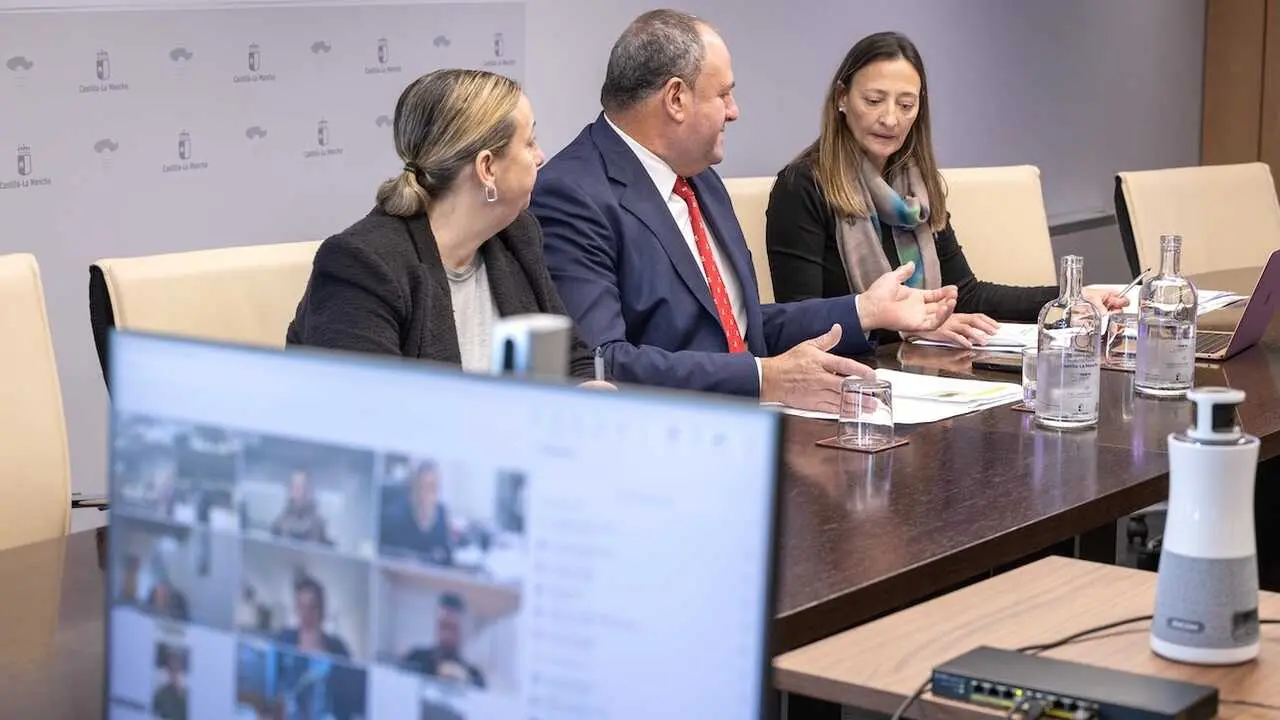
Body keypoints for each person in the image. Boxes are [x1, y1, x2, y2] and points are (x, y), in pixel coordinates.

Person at [529, 10, 957, 412]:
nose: (734, 112)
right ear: (676, 98)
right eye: (724, 94)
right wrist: (763, 378)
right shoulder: (573, 194)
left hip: (748, 421)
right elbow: (601, 363)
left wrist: (863, 310)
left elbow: (736, 329)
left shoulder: (701, 180)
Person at [766, 31, 1126, 348]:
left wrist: (1070, 298)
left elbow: (965, 293)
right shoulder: (801, 186)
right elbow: (800, 324)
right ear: (842, 98)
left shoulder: (917, 189)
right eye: (873, 100)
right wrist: (911, 327)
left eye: (906, 105)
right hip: (851, 379)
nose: (890, 119)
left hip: (920, 370)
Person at [286, 69, 608, 386]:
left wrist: (591, 391)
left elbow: (572, 360)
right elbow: (367, 407)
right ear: (487, 168)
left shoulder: (517, 235)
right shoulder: (361, 265)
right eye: (530, 143)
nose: (540, 157)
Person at [401, 593, 487, 689]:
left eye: (452, 628)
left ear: (463, 632)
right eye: (443, 626)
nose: (446, 634)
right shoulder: (415, 659)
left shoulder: (474, 677)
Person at [380, 461, 453, 567]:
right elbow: (381, 555)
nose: (426, 495)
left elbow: (447, 562)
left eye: (432, 489)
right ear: (414, 489)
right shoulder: (393, 516)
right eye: (422, 488)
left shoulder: (441, 516)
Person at [275, 576, 352, 658]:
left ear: (322, 610)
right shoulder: (283, 640)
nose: (307, 614)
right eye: (302, 607)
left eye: (313, 607)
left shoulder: (338, 649)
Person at [270, 468, 332, 546]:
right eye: (297, 488)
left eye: (305, 488)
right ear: (291, 490)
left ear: (310, 490)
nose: (302, 492)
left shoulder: (319, 524)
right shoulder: (280, 523)